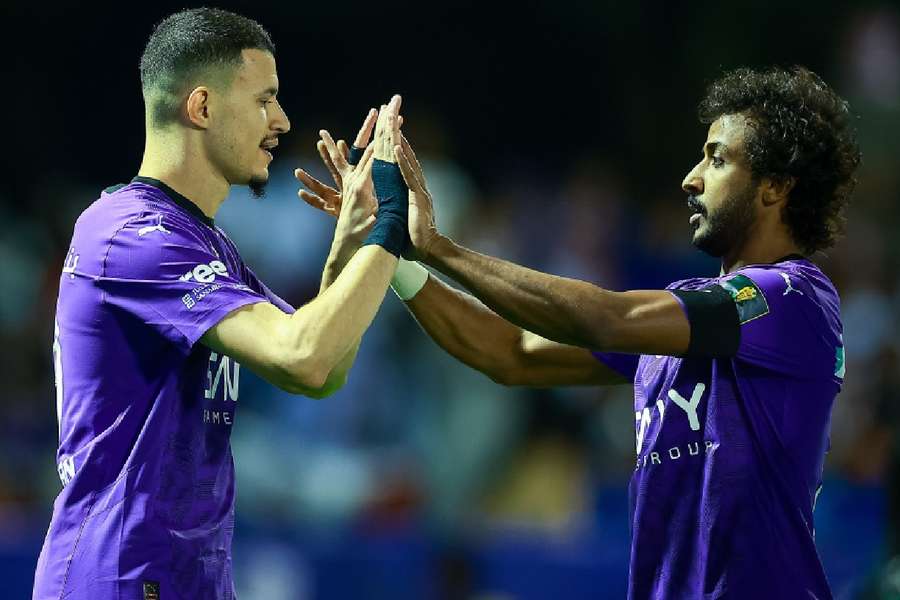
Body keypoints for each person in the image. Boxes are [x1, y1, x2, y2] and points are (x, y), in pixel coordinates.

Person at [301, 66, 861, 598]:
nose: (691, 178)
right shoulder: (684, 324)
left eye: (716, 160)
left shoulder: (793, 299)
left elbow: (605, 317)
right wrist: (398, 256)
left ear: (774, 187)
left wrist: (440, 247)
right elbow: (511, 352)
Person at [34, 8, 409, 599]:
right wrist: (394, 223)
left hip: (189, 580)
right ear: (202, 108)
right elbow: (303, 357)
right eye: (265, 100)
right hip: (119, 579)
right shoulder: (130, 236)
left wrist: (351, 247)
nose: (282, 121)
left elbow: (322, 372)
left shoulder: (204, 244)